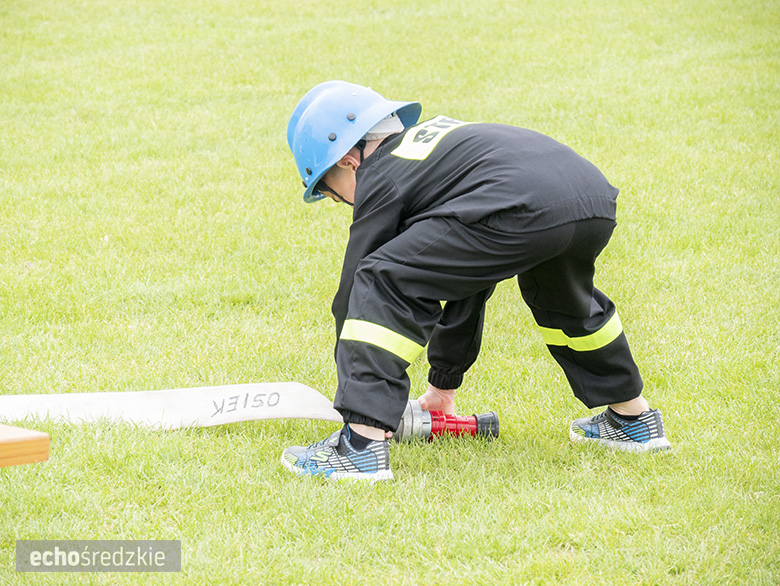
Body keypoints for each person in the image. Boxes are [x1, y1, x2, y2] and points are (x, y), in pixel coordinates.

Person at [281, 81, 671, 482]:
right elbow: (464, 279)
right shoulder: (433, 150)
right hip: (588, 199)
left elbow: (357, 290)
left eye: (333, 194)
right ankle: (633, 420)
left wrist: (358, 397)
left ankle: (359, 448)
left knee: (379, 279)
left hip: (518, 206)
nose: (345, 202)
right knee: (565, 302)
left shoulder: (382, 170)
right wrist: (441, 390)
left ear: (349, 160)